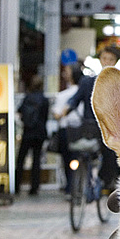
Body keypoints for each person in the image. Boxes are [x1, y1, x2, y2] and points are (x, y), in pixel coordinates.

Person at [57, 46, 120, 190]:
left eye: (111, 59)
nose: (107, 62)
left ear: (115, 62)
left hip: (110, 128)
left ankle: (106, 179)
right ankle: (79, 186)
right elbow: (75, 99)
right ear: (100, 59)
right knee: (78, 148)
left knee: (112, 153)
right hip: (90, 126)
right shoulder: (88, 82)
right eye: (105, 58)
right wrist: (65, 109)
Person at [52, 59, 84, 194]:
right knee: (80, 158)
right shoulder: (86, 92)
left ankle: (70, 187)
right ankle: (80, 187)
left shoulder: (63, 95)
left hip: (66, 131)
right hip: (82, 129)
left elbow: (57, 114)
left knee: (67, 160)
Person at [14, 75, 49, 195]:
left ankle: (16, 185)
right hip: (39, 133)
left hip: (27, 132)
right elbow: (45, 117)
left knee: (21, 159)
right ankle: (34, 187)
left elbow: (20, 111)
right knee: (36, 160)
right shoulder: (44, 99)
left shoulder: (27, 98)